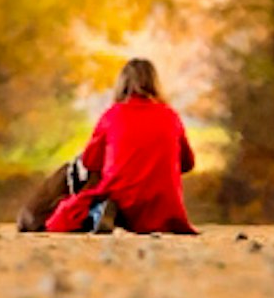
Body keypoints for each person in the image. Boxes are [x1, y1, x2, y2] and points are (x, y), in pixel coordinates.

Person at [41, 53, 195, 236]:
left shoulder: (112, 115)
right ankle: (109, 213)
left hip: (122, 201)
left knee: (66, 215)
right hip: (165, 210)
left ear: (122, 84)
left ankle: (98, 213)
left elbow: (91, 162)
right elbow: (188, 164)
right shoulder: (171, 117)